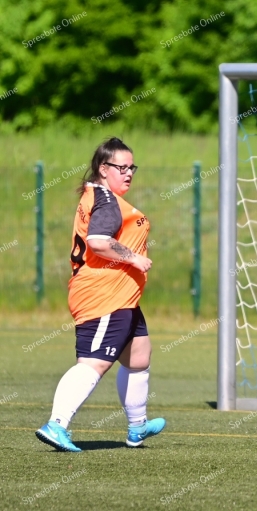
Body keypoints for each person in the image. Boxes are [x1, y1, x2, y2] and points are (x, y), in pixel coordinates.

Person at [35, 137, 165, 452]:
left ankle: (137, 427)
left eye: (132, 166)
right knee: (94, 363)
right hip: (104, 295)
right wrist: (134, 258)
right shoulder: (106, 199)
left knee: (138, 357)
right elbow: (98, 241)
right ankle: (57, 424)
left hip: (122, 296)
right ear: (103, 168)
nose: (129, 172)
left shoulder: (102, 196)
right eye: (121, 167)